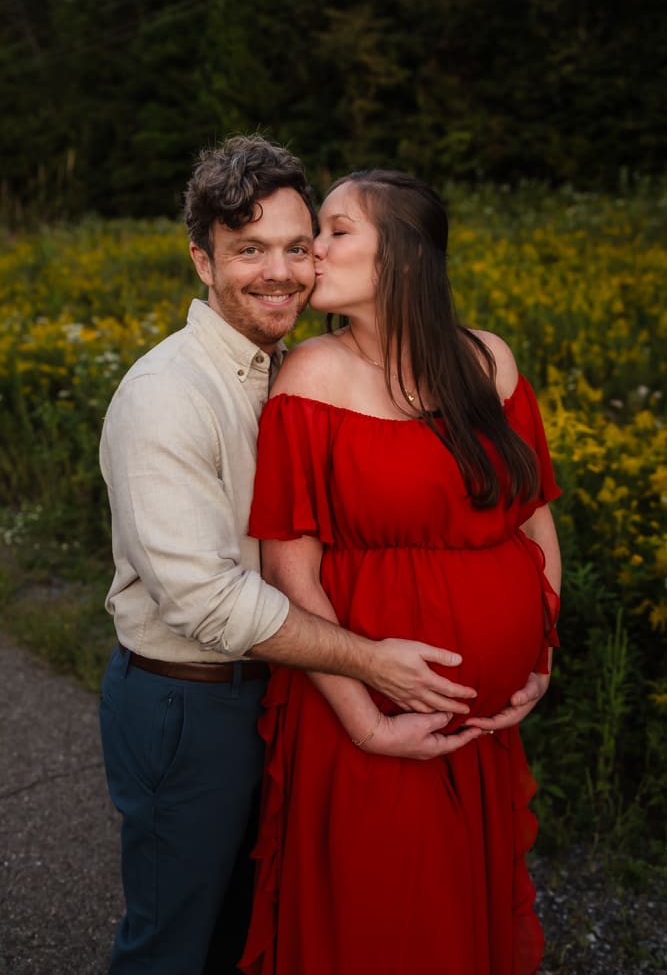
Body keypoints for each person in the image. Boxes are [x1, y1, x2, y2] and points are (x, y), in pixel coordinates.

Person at [97, 138, 485, 975]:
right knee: (173, 943)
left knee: (252, 931)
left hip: (280, 692)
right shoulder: (166, 396)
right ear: (202, 261)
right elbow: (208, 601)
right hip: (189, 702)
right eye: (248, 250)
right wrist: (369, 661)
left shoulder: (294, 368)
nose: (279, 273)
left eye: (296, 246)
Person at [239, 170, 562, 975]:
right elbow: (290, 573)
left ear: (405, 256)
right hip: (369, 710)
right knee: (383, 923)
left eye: (336, 229)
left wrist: (540, 654)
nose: (312, 250)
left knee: (459, 916)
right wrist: (365, 720)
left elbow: (533, 520)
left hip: (480, 726)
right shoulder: (310, 375)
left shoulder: (487, 360)